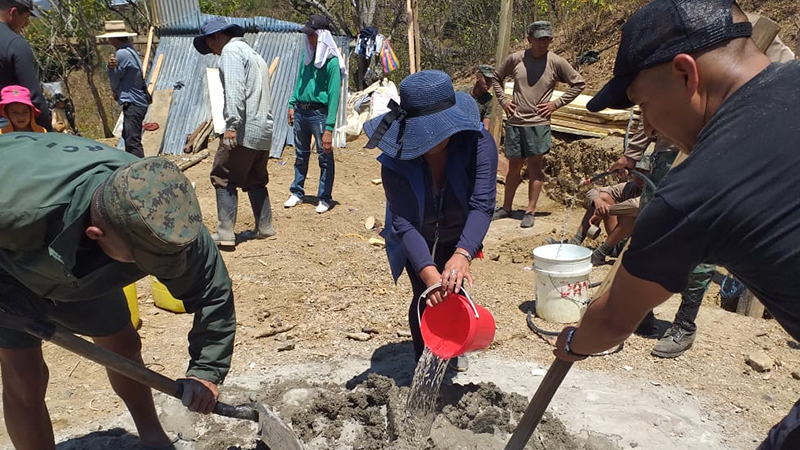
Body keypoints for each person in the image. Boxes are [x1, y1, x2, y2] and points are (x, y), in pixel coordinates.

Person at [554, 1, 800, 448]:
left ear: (686, 73)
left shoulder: (696, 190)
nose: (648, 125)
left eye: (643, 104)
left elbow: (612, 320)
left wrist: (575, 342)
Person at [0, 132, 236, 450]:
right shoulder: (15, 208)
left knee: (123, 345)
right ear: (96, 233)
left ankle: (152, 436)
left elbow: (212, 292)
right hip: (10, 267)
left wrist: (207, 369)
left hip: (77, 266)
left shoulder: (165, 213)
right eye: (144, 259)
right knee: (25, 376)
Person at [607, 11, 796, 358]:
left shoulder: (745, 26)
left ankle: (684, 322)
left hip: (726, 161)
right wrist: (632, 154)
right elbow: (650, 108)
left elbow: (773, 87)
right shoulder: (667, 23)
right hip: (670, 155)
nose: (647, 123)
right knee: (651, 236)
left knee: (700, 249)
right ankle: (640, 313)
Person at [364, 70, 497, 371]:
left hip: (459, 231)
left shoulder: (478, 144)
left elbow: (482, 204)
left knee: (454, 289)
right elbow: (403, 222)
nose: (426, 141)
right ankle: (423, 364)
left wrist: (463, 253)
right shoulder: (395, 157)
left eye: (433, 133)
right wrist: (428, 275)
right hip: (416, 234)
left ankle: (451, 348)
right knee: (426, 295)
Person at [491, 21, 585, 228]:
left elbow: (579, 83)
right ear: (530, 40)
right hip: (516, 121)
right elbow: (496, 78)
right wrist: (504, 101)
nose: (543, 43)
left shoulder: (556, 62)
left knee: (535, 166)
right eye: (539, 39)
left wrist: (556, 104)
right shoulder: (516, 59)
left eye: (547, 39)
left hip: (538, 123)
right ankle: (506, 207)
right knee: (514, 166)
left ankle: (530, 210)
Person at [194, 17, 276, 247]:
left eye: (210, 43)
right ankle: (265, 227)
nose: (212, 50)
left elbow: (235, 90)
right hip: (263, 129)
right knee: (255, 178)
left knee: (222, 175)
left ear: (218, 36)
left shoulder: (231, 52)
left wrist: (231, 126)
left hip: (243, 129)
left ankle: (225, 232)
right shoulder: (254, 54)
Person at [285, 14, 344, 214]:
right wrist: (292, 103)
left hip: (319, 114)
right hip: (301, 111)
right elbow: (300, 82)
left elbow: (334, 97)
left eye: (313, 35)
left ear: (323, 35)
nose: (310, 39)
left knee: (324, 157)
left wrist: (329, 128)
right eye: (308, 35)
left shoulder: (332, 63)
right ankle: (297, 192)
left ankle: (325, 197)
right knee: (300, 155)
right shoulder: (306, 56)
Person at [548, 178, 642, 265]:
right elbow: (593, 191)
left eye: (644, 172)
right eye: (637, 171)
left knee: (631, 216)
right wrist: (598, 202)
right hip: (621, 242)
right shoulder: (629, 187)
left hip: (637, 248)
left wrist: (606, 210)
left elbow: (636, 206)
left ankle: (600, 253)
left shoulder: (650, 192)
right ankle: (574, 243)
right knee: (602, 197)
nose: (639, 177)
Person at [99, 21, 150, 158]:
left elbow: (115, 78)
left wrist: (114, 88)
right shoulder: (130, 51)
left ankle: (138, 166)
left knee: (132, 140)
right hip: (138, 101)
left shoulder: (121, 53)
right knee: (128, 136)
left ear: (114, 39)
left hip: (133, 102)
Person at [0, 0, 51, 131]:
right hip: (6, 128)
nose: (27, 23)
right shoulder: (14, 44)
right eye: (26, 17)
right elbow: (33, 96)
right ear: (13, 12)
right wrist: (48, 131)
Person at [459, 64, 495, 129]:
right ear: (478, 77)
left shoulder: (489, 100)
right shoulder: (461, 93)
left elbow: (486, 127)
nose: (489, 84)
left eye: (491, 81)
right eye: (487, 80)